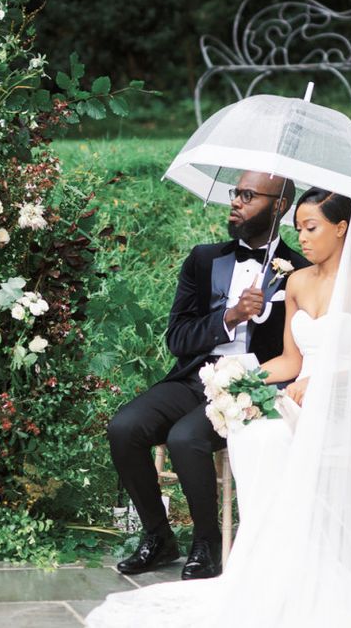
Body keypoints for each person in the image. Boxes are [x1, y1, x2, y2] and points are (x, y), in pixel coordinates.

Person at [87, 188, 351, 627]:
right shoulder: (297, 281)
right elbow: (290, 360)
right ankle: (274, 562)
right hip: (291, 390)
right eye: (299, 229)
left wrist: (320, 382)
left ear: (341, 228)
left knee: (269, 437)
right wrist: (238, 380)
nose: (303, 238)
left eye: (312, 228)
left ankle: (308, 559)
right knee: (253, 433)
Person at [107, 170, 307, 581]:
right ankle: (159, 537)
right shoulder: (203, 259)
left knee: (186, 437)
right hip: (195, 377)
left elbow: (298, 352)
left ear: (280, 205)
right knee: (124, 427)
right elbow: (178, 338)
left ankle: (207, 542)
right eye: (236, 192)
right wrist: (230, 317)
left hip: (255, 386)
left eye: (248, 195)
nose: (235, 201)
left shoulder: (300, 270)